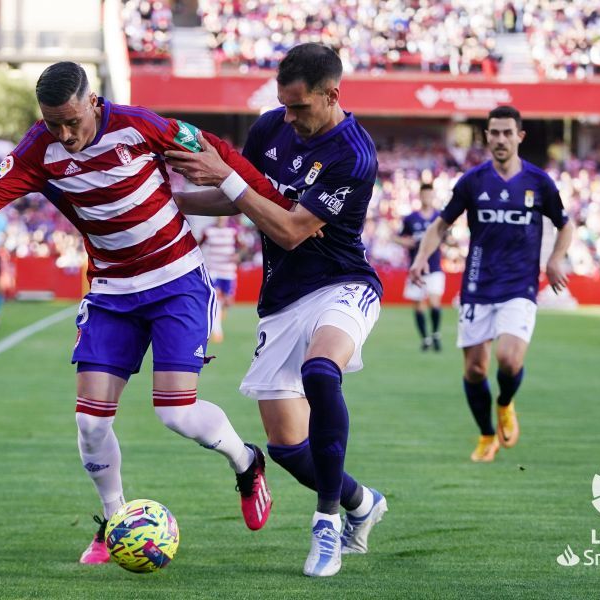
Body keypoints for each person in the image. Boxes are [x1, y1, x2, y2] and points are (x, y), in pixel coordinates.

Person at [0, 61, 290, 565]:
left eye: (71, 121)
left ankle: (245, 461)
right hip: (111, 291)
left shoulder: (140, 125)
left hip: (175, 281)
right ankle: (114, 520)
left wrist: (274, 199)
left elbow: (218, 152)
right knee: (89, 424)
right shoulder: (38, 149)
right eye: (52, 123)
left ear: (93, 101)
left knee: (175, 413)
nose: (64, 134)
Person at [166, 43, 387, 578]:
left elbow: (288, 229)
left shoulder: (353, 155)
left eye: (300, 107)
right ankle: (363, 502)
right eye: (283, 105)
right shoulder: (271, 128)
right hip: (281, 301)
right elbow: (246, 198)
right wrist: (167, 200)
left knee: (321, 370)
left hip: (342, 284)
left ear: (333, 95)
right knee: (288, 449)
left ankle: (328, 526)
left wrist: (226, 175)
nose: (289, 117)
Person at [410, 105, 573, 463]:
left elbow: (566, 223)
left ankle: (505, 403)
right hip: (477, 285)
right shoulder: (472, 181)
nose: (500, 139)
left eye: (506, 133)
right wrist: (422, 257)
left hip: (520, 285)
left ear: (520, 136)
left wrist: (556, 258)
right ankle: (486, 436)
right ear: (487, 136)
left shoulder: (539, 182)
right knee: (475, 370)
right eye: (494, 133)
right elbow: (440, 224)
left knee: (509, 361)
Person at [399, 183, 445, 352]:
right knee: (418, 305)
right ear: (420, 196)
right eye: (424, 195)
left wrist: (449, 241)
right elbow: (397, 237)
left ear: (433, 196)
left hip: (434, 267)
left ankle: (435, 334)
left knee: (434, 302)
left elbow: (446, 236)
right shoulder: (410, 218)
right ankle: (425, 338)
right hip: (415, 269)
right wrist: (405, 241)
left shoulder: (440, 217)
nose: (427, 198)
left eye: (430, 195)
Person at [199, 216, 238, 343]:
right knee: (214, 299)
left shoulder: (233, 231)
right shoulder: (208, 231)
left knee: (228, 301)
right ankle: (217, 331)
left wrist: (238, 255)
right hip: (213, 270)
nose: (222, 219)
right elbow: (197, 246)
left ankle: (220, 312)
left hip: (228, 271)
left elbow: (242, 247)